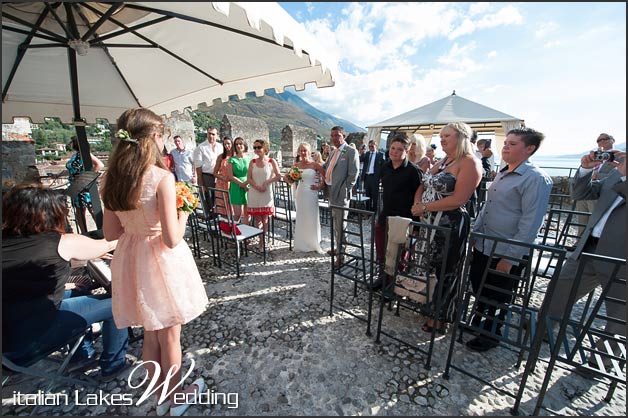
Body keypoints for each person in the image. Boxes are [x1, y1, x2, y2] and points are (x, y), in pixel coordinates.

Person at [101, 108, 208, 416]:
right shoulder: (161, 177)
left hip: (131, 258)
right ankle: (176, 399)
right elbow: (172, 239)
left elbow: (111, 231)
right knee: (170, 334)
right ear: (153, 139)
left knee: (150, 333)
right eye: (161, 135)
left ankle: (160, 395)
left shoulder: (110, 178)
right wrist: (184, 211)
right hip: (162, 261)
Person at [2, 184, 129, 381]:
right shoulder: (60, 242)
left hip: (8, 339)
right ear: (49, 214)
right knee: (118, 306)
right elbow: (109, 242)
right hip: (29, 342)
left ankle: (82, 354)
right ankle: (114, 365)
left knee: (79, 288)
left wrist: (68, 282)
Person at [465, 128, 553, 352]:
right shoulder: (503, 173)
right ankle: (479, 322)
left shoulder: (535, 179)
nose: (505, 147)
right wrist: (475, 233)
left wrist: (510, 257)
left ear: (529, 149)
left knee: (499, 295)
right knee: (480, 287)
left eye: (512, 144)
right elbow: (488, 206)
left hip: (505, 249)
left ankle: (491, 334)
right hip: (486, 243)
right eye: (506, 143)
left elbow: (530, 223)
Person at [545, 149, 625, 356]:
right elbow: (582, 194)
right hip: (590, 247)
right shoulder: (618, 174)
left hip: (621, 258)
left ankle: (603, 360)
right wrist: (584, 171)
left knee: (620, 316)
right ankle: (543, 328)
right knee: (560, 288)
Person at [411, 122, 482, 333]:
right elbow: (424, 183)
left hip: (449, 225)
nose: (441, 140)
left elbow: (459, 199)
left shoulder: (470, 163)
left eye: (447, 136)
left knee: (446, 270)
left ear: (461, 138)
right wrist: (418, 204)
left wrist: (424, 206)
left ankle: (441, 315)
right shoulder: (444, 160)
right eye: (441, 136)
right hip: (430, 221)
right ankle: (427, 305)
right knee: (429, 266)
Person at [372, 133, 422, 284]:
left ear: (407, 151)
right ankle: (382, 278)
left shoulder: (413, 171)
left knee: (399, 255)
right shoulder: (385, 167)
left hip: (403, 219)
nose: (394, 152)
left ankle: (395, 285)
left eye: (400, 149)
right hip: (385, 215)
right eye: (392, 148)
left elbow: (418, 198)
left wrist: (416, 225)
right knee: (381, 251)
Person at [322, 126, 360, 264]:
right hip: (330, 192)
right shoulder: (333, 152)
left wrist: (344, 190)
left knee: (341, 225)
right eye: (332, 135)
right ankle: (337, 248)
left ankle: (341, 255)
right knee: (334, 223)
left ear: (344, 136)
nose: (334, 138)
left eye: (337, 135)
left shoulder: (350, 151)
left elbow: (353, 174)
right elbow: (326, 167)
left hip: (341, 193)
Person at [286, 142, 327, 254]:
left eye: (305, 150)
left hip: (311, 194)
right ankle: (302, 242)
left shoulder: (315, 165)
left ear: (309, 152)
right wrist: (287, 178)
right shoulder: (296, 166)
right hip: (300, 193)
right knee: (301, 216)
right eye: (301, 150)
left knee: (312, 216)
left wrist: (319, 187)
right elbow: (290, 180)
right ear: (299, 152)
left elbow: (326, 177)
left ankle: (313, 242)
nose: (303, 152)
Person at [574, 133, 618, 233]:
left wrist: (597, 176)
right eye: (598, 140)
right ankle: (579, 242)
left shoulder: (619, 156)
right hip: (586, 192)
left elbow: (618, 175)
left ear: (612, 140)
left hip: (600, 194)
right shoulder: (594, 156)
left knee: (596, 221)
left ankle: (592, 243)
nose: (601, 142)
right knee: (582, 220)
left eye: (604, 139)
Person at [246, 140, 282, 250]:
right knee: (257, 219)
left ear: (265, 148)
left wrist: (267, 182)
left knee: (265, 218)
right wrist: (257, 186)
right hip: (254, 192)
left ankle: (263, 240)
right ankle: (261, 240)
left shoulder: (272, 161)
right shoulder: (252, 162)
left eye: (259, 147)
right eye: (255, 147)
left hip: (266, 193)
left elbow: (278, 176)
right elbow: (249, 178)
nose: (256, 149)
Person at [66, 136, 105, 234]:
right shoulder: (75, 155)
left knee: (92, 208)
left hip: (84, 184)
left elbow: (100, 165)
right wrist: (56, 175)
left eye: (72, 142)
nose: (70, 144)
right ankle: (84, 233)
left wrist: (86, 176)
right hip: (76, 185)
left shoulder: (85, 154)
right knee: (80, 210)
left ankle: (102, 231)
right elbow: (72, 170)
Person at [193, 126, 223, 210]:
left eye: (213, 134)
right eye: (209, 134)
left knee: (218, 201)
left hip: (219, 177)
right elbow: (198, 167)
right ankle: (210, 220)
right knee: (208, 201)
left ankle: (218, 220)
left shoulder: (220, 147)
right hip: (207, 177)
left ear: (217, 135)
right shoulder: (201, 148)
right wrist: (201, 184)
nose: (211, 136)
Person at [225, 137, 251, 224]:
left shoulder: (250, 159)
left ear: (244, 145)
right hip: (236, 186)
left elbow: (251, 174)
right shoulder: (231, 160)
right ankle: (234, 232)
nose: (239, 146)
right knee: (237, 214)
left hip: (248, 185)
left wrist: (246, 184)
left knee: (248, 213)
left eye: (241, 143)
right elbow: (230, 176)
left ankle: (246, 234)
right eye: (236, 144)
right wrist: (242, 184)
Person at [360, 139, 385, 213]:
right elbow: (360, 160)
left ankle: (374, 211)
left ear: (376, 146)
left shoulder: (380, 155)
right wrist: (362, 152)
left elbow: (384, 166)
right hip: (367, 177)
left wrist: (381, 177)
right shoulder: (367, 154)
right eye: (369, 146)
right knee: (367, 195)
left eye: (372, 146)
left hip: (375, 177)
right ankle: (368, 211)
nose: (371, 147)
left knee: (375, 195)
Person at [213, 136, 233, 215]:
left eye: (228, 143)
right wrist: (223, 178)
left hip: (232, 183)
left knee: (232, 207)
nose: (227, 146)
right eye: (225, 144)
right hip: (221, 184)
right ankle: (224, 225)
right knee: (222, 207)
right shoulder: (221, 157)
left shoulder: (235, 156)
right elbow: (214, 173)